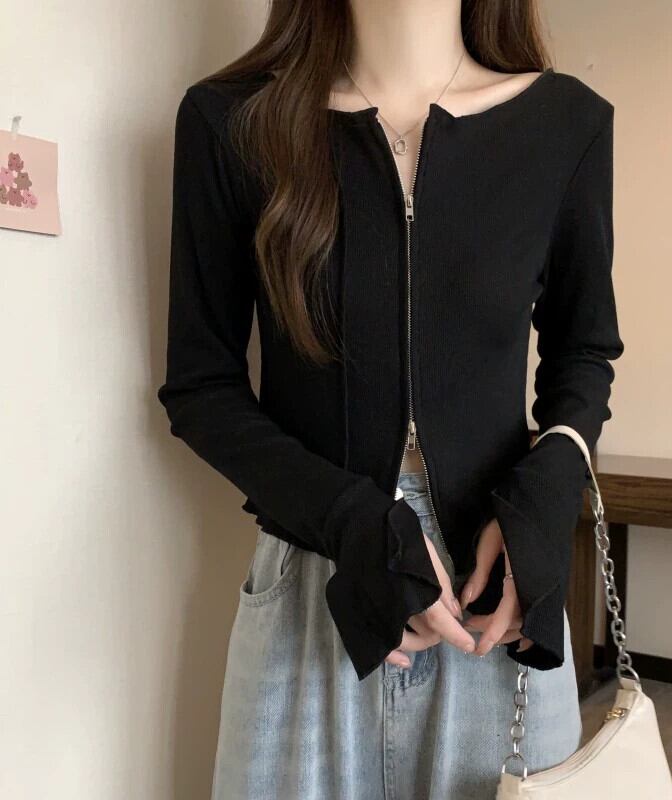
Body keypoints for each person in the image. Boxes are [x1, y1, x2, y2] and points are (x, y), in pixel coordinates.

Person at [156, 1, 624, 797]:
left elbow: (583, 352)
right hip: (314, 577)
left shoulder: (566, 124)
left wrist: (547, 494)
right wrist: (352, 520)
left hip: (496, 590)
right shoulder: (233, 122)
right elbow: (201, 386)